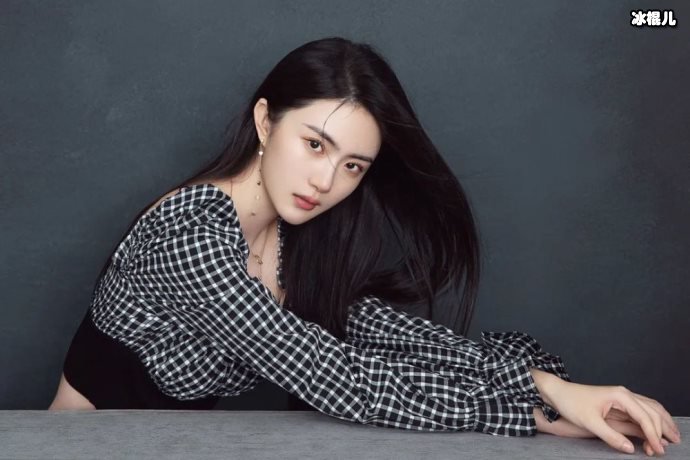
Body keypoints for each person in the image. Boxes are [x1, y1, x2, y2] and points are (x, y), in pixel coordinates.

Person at [49, 37, 680, 456]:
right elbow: (340, 378)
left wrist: (548, 386)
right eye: (315, 145)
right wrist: (531, 410)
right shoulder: (189, 235)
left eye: (353, 165)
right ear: (266, 121)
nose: (327, 182)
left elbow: (383, 335)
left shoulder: (290, 235)